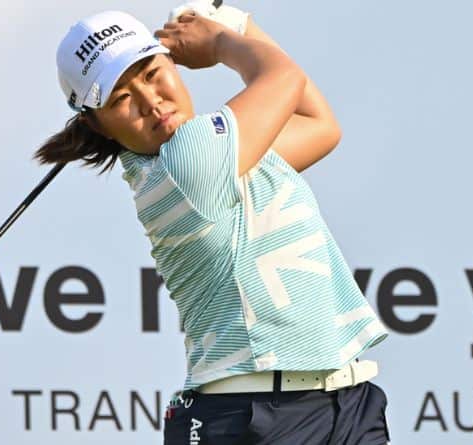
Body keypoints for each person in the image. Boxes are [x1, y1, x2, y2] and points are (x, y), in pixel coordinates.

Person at [37, 3, 391, 444]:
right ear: (98, 125)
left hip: (343, 403)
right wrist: (221, 41)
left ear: (170, 62)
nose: (151, 101)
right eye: (121, 99)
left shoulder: (225, 153)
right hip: (254, 419)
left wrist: (238, 22)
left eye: (150, 74)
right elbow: (284, 79)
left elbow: (319, 126)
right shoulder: (188, 162)